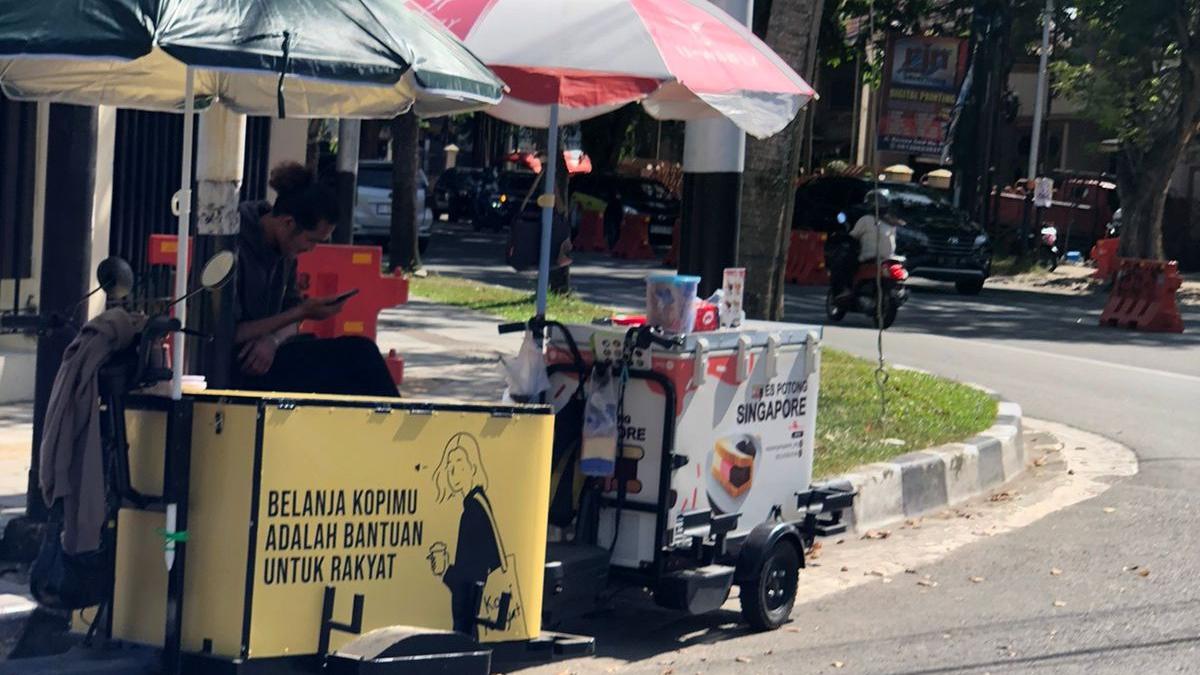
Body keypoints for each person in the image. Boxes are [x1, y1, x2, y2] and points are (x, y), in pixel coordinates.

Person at [233, 162, 398, 397]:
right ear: (288, 223)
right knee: (359, 359)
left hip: (270, 351)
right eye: (311, 240)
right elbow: (225, 333)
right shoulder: (234, 245)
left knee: (361, 351)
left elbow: (290, 317)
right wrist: (302, 312)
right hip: (238, 363)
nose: (311, 250)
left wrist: (274, 339)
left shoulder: (285, 248)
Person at [427, 433, 507, 639]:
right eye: (450, 464)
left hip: (470, 625)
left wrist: (444, 570)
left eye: (460, 462)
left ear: (473, 467)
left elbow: (469, 582)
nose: (453, 471)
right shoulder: (477, 504)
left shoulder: (472, 512)